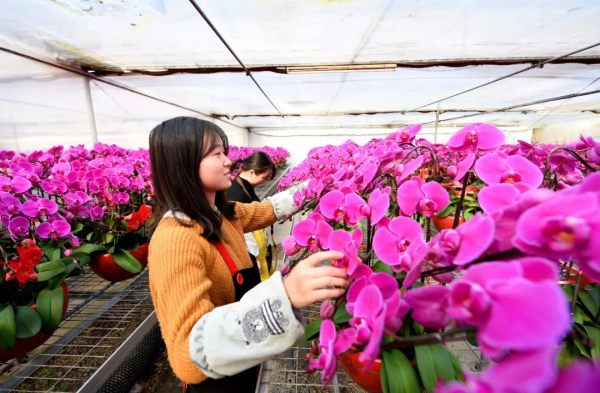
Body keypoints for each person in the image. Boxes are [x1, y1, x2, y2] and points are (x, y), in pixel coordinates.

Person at [147, 117, 348, 393]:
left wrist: (325, 183)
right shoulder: (175, 239)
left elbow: (269, 209)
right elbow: (187, 352)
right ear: (183, 164)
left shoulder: (225, 215)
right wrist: (283, 296)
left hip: (244, 364)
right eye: (217, 153)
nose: (229, 161)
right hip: (213, 382)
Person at [227, 151, 276, 281]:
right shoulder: (235, 194)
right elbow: (236, 232)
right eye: (264, 177)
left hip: (258, 248)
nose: (265, 181)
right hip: (251, 251)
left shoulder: (246, 186)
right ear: (252, 172)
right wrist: (251, 257)